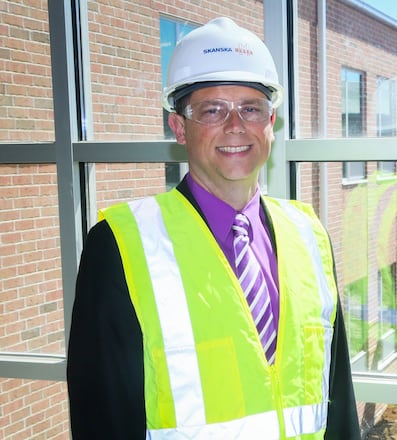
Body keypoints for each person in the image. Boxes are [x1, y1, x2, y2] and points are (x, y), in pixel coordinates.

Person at [67, 17, 360, 439]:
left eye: (250, 108)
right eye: (212, 110)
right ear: (179, 126)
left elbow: (338, 403)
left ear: (271, 122)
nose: (235, 125)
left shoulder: (309, 235)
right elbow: (103, 420)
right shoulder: (120, 247)